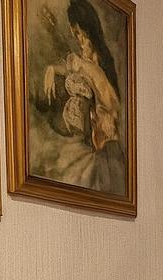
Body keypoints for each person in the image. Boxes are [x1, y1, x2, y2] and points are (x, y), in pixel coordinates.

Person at [40, 0, 125, 195]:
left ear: (88, 29)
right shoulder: (85, 62)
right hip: (92, 142)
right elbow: (74, 67)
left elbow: (110, 100)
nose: (79, 39)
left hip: (105, 146)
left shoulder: (97, 65)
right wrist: (53, 69)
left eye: (80, 33)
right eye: (75, 34)